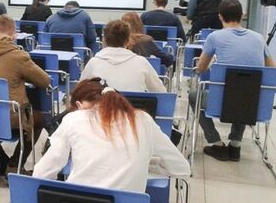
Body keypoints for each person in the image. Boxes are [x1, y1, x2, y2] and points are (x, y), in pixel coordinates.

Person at [33, 78, 189, 192]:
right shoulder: (143, 120)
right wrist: (145, 163)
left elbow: (43, 172)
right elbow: (181, 168)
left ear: (79, 106)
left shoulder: (74, 119)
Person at [190, 0, 275, 162]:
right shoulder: (259, 38)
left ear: (220, 17)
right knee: (246, 86)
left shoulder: (214, 37)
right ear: (242, 15)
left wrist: (215, 66)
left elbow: (201, 68)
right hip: (253, 105)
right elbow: (271, 69)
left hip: (221, 103)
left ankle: (215, 142)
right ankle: (235, 145)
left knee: (194, 95)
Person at [0, 14, 50, 174]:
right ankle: (15, 165)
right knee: (40, 119)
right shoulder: (18, 55)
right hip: (11, 118)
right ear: (14, 34)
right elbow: (44, 81)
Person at [81, 20, 166, 93]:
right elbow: (161, 92)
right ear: (128, 41)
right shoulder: (142, 63)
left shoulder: (93, 63)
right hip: (132, 107)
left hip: (102, 107)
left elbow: (79, 93)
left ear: (104, 40)